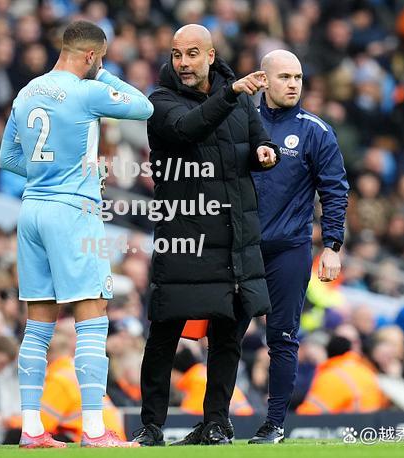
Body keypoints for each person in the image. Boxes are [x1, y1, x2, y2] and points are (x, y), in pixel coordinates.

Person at [0, 20, 153, 449]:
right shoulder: (87, 91)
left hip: (31, 211)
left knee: (38, 325)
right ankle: (94, 431)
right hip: (72, 210)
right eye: (97, 58)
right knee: (92, 316)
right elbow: (143, 107)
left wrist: (46, 172)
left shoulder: (26, 91)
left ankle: (31, 430)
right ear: (90, 55)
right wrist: (102, 73)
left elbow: (7, 157)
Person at [133, 24, 279, 447]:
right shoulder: (159, 101)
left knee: (228, 336)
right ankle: (151, 427)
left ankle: (216, 422)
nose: (183, 63)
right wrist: (231, 94)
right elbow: (187, 129)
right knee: (164, 333)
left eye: (192, 54)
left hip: (234, 237)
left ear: (211, 56)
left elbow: (256, 140)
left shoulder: (239, 99)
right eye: (177, 55)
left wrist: (263, 153)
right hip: (185, 235)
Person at [249, 50, 349, 444]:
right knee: (226, 334)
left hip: (289, 249)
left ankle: (274, 424)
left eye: (298, 77)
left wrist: (333, 244)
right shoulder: (243, 123)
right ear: (264, 80)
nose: (293, 84)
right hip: (241, 248)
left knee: (283, 337)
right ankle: (216, 422)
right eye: (285, 77)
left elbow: (335, 190)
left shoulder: (315, 131)